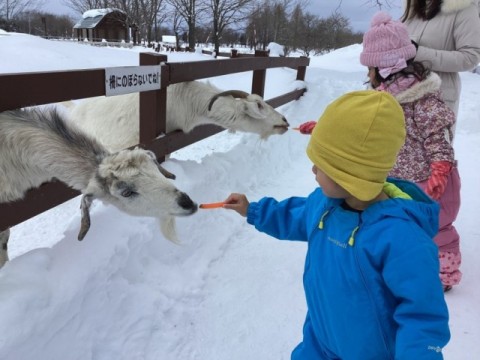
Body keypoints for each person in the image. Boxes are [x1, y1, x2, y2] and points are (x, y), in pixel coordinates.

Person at [224, 90, 450, 359]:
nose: (313, 171)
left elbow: (422, 317)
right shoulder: (324, 205)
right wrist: (253, 210)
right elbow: (294, 214)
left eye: (321, 166)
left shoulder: (402, 238)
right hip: (319, 342)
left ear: (351, 175)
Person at [402, 0, 480, 119]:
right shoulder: (413, 8)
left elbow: (471, 57)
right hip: (402, 96)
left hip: (436, 101)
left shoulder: (464, 7)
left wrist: (418, 53)